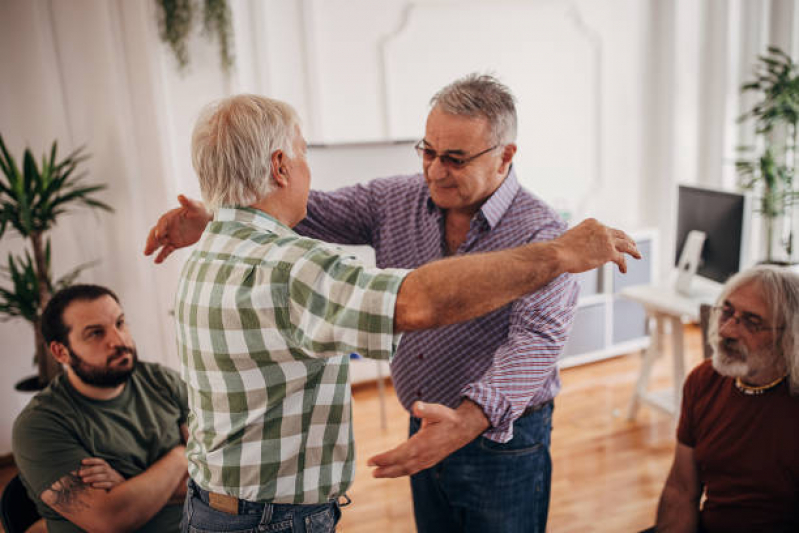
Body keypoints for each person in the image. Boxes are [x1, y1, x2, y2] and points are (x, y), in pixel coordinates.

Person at [149, 89, 639, 533]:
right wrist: (223, 208)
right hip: (419, 431)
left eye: (454, 158)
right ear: (281, 166)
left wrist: (466, 423)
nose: (433, 169)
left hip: (499, 438)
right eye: (427, 151)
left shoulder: (544, 232)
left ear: (505, 156)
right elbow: (306, 210)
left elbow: (536, 344)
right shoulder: (393, 201)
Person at [12, 284, 190, 533]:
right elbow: (112, 520)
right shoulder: (40, 425)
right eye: (95, 333)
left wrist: (126, 486)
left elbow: (218, 477)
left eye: (120, 323)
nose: (119, 341)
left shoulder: (162, 381)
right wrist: (180, 457)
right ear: (61, 352)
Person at [654, 265, 799, 532]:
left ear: (788, 337)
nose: (728, 331)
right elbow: (681, 490)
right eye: (727, 313)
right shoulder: (704, 381)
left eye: (752, 322)